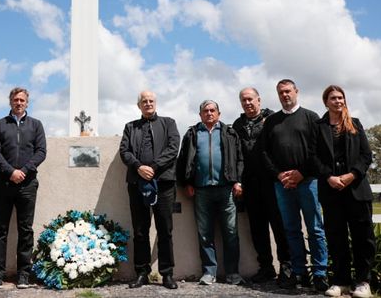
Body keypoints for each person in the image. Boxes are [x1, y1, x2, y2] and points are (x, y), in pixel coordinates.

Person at [259, 79, 328, 291]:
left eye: (288, 91)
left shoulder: (311, 118)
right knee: (291, 230)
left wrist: (301, 173)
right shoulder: (271, 122)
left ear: (296, 91)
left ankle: (320, 273)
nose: (285, 95)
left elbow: (318, 151)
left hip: (307, 182)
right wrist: (280, 175)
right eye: (281, 93)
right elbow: (264, 152)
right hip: (282, 185)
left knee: (315, 228)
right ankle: (299, 273)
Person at [315, 85, 375, 298]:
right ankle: (341, 282)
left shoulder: (355, 124)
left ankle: (362, 282)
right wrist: (329, 177)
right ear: (326, 102)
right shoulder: (318, 126)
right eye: (333, 98)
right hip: (331, 192)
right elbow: (314, 157)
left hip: (357, 191)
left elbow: (366, 155)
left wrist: (352, 175)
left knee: (363, 238)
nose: (337, 101)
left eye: (340, 98)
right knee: (336, 237)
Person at [176, 100, 245, 286]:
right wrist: (186, 183)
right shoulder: (192, 133)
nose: (209, 113)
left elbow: (239, 158)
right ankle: (208, 272)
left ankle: (232, 273)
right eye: (205, 111)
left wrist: (238, 181)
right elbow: (183, 159)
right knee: (205, 233)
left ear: (219, 113)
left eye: (212, 110)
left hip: (226, 189)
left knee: (230, 233)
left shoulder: (229, 132)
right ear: (200, 115)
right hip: (201, 190)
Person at [119, 91, 180, 290]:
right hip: (137, 184)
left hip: (163, 183)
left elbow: (173, 148)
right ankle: (142, 273)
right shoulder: (130, 127)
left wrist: (153, 167)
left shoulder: (168, 123)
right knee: (140, 231)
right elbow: (124, 151)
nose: (148, 104)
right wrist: (139, 167)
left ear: (156, 103)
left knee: (165, 230)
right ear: (139, 106)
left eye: (151, 101)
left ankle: (167, 274)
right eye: (144, 101)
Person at [0, 87, 47, 289]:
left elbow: (41, 152)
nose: (19, 103)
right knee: (0, 230)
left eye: (22, 100)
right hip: (3, 184)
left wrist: (23, 170)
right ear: (10, 102)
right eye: (15, 99)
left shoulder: (36, 125)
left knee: (25, 230)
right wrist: (10, 172)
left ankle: (24, 274)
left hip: (28, 184)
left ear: (27, 103)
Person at [232, 87, 291, 284]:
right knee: (257, 229)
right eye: (243, 100)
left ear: (259, 100)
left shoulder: (273, 119)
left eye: (250, 99)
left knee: (279, 226)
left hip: (272, 181)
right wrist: (238, 180)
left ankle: (287, 267)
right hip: (250, 183)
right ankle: (266, 267)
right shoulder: (238, 124)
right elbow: (237, 156)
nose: (247, 103)